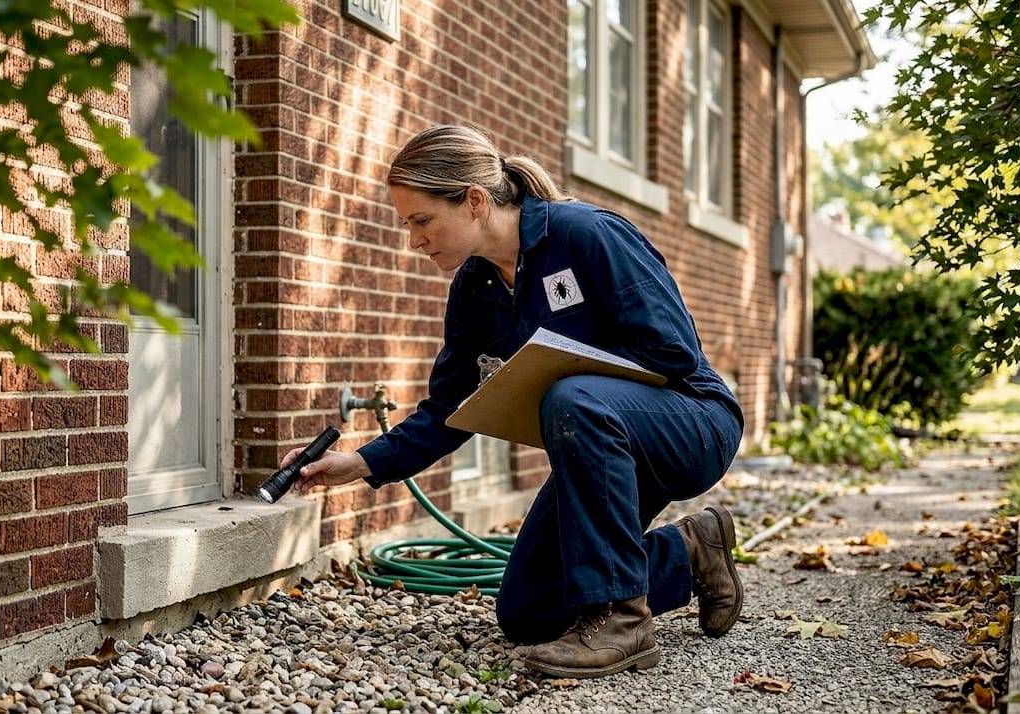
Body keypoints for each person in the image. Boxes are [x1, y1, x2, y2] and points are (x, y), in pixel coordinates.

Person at [283, 124, 745, 679]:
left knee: (572, 398)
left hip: (691, 424)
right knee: (531, 611)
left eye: (422, 220)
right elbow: (449, 410)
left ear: (474, 201)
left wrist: (564, 374)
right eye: (408, 225)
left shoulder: (587, 235)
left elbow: (675, 353)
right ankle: (691, 550)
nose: (414, 240)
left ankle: (626, 625)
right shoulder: (474, 289)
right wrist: (358, 463)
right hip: (601, 448)